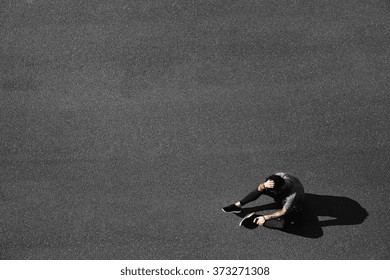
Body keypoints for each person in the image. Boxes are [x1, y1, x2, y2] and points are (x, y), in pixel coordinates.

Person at [222, 172, 305, 229]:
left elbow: (282, 212)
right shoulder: (280, 176)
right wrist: (263, 186)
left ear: (278, 190)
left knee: (282, 224)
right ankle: (237, 206)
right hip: (281, 195)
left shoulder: (292, 195)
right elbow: (261, 187)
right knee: (262, 189)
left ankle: (255, 218)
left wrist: (265, 217)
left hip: (294, 206)